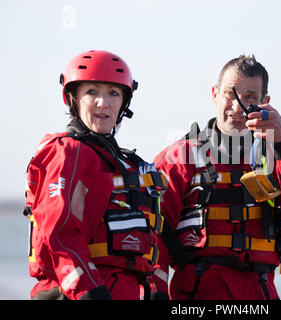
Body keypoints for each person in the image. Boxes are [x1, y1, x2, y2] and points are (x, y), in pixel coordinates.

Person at [152, 54, 281, 300]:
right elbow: (153, 234)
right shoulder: (180, 157)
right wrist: (156, 293)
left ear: (265, 102)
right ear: (215, 94)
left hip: (260, 292)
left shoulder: (275, 153)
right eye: (231, 93)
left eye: (249, 97)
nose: (238, 106)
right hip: (197, 292)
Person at [23, 50, 173, 300]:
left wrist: (158, 290)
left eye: (113, 93)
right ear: (73, 99)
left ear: (124, 102)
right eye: (92, 91)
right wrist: (89, 293)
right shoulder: (68, 153)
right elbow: (61, 234)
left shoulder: (124, 163)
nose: (103, 103)